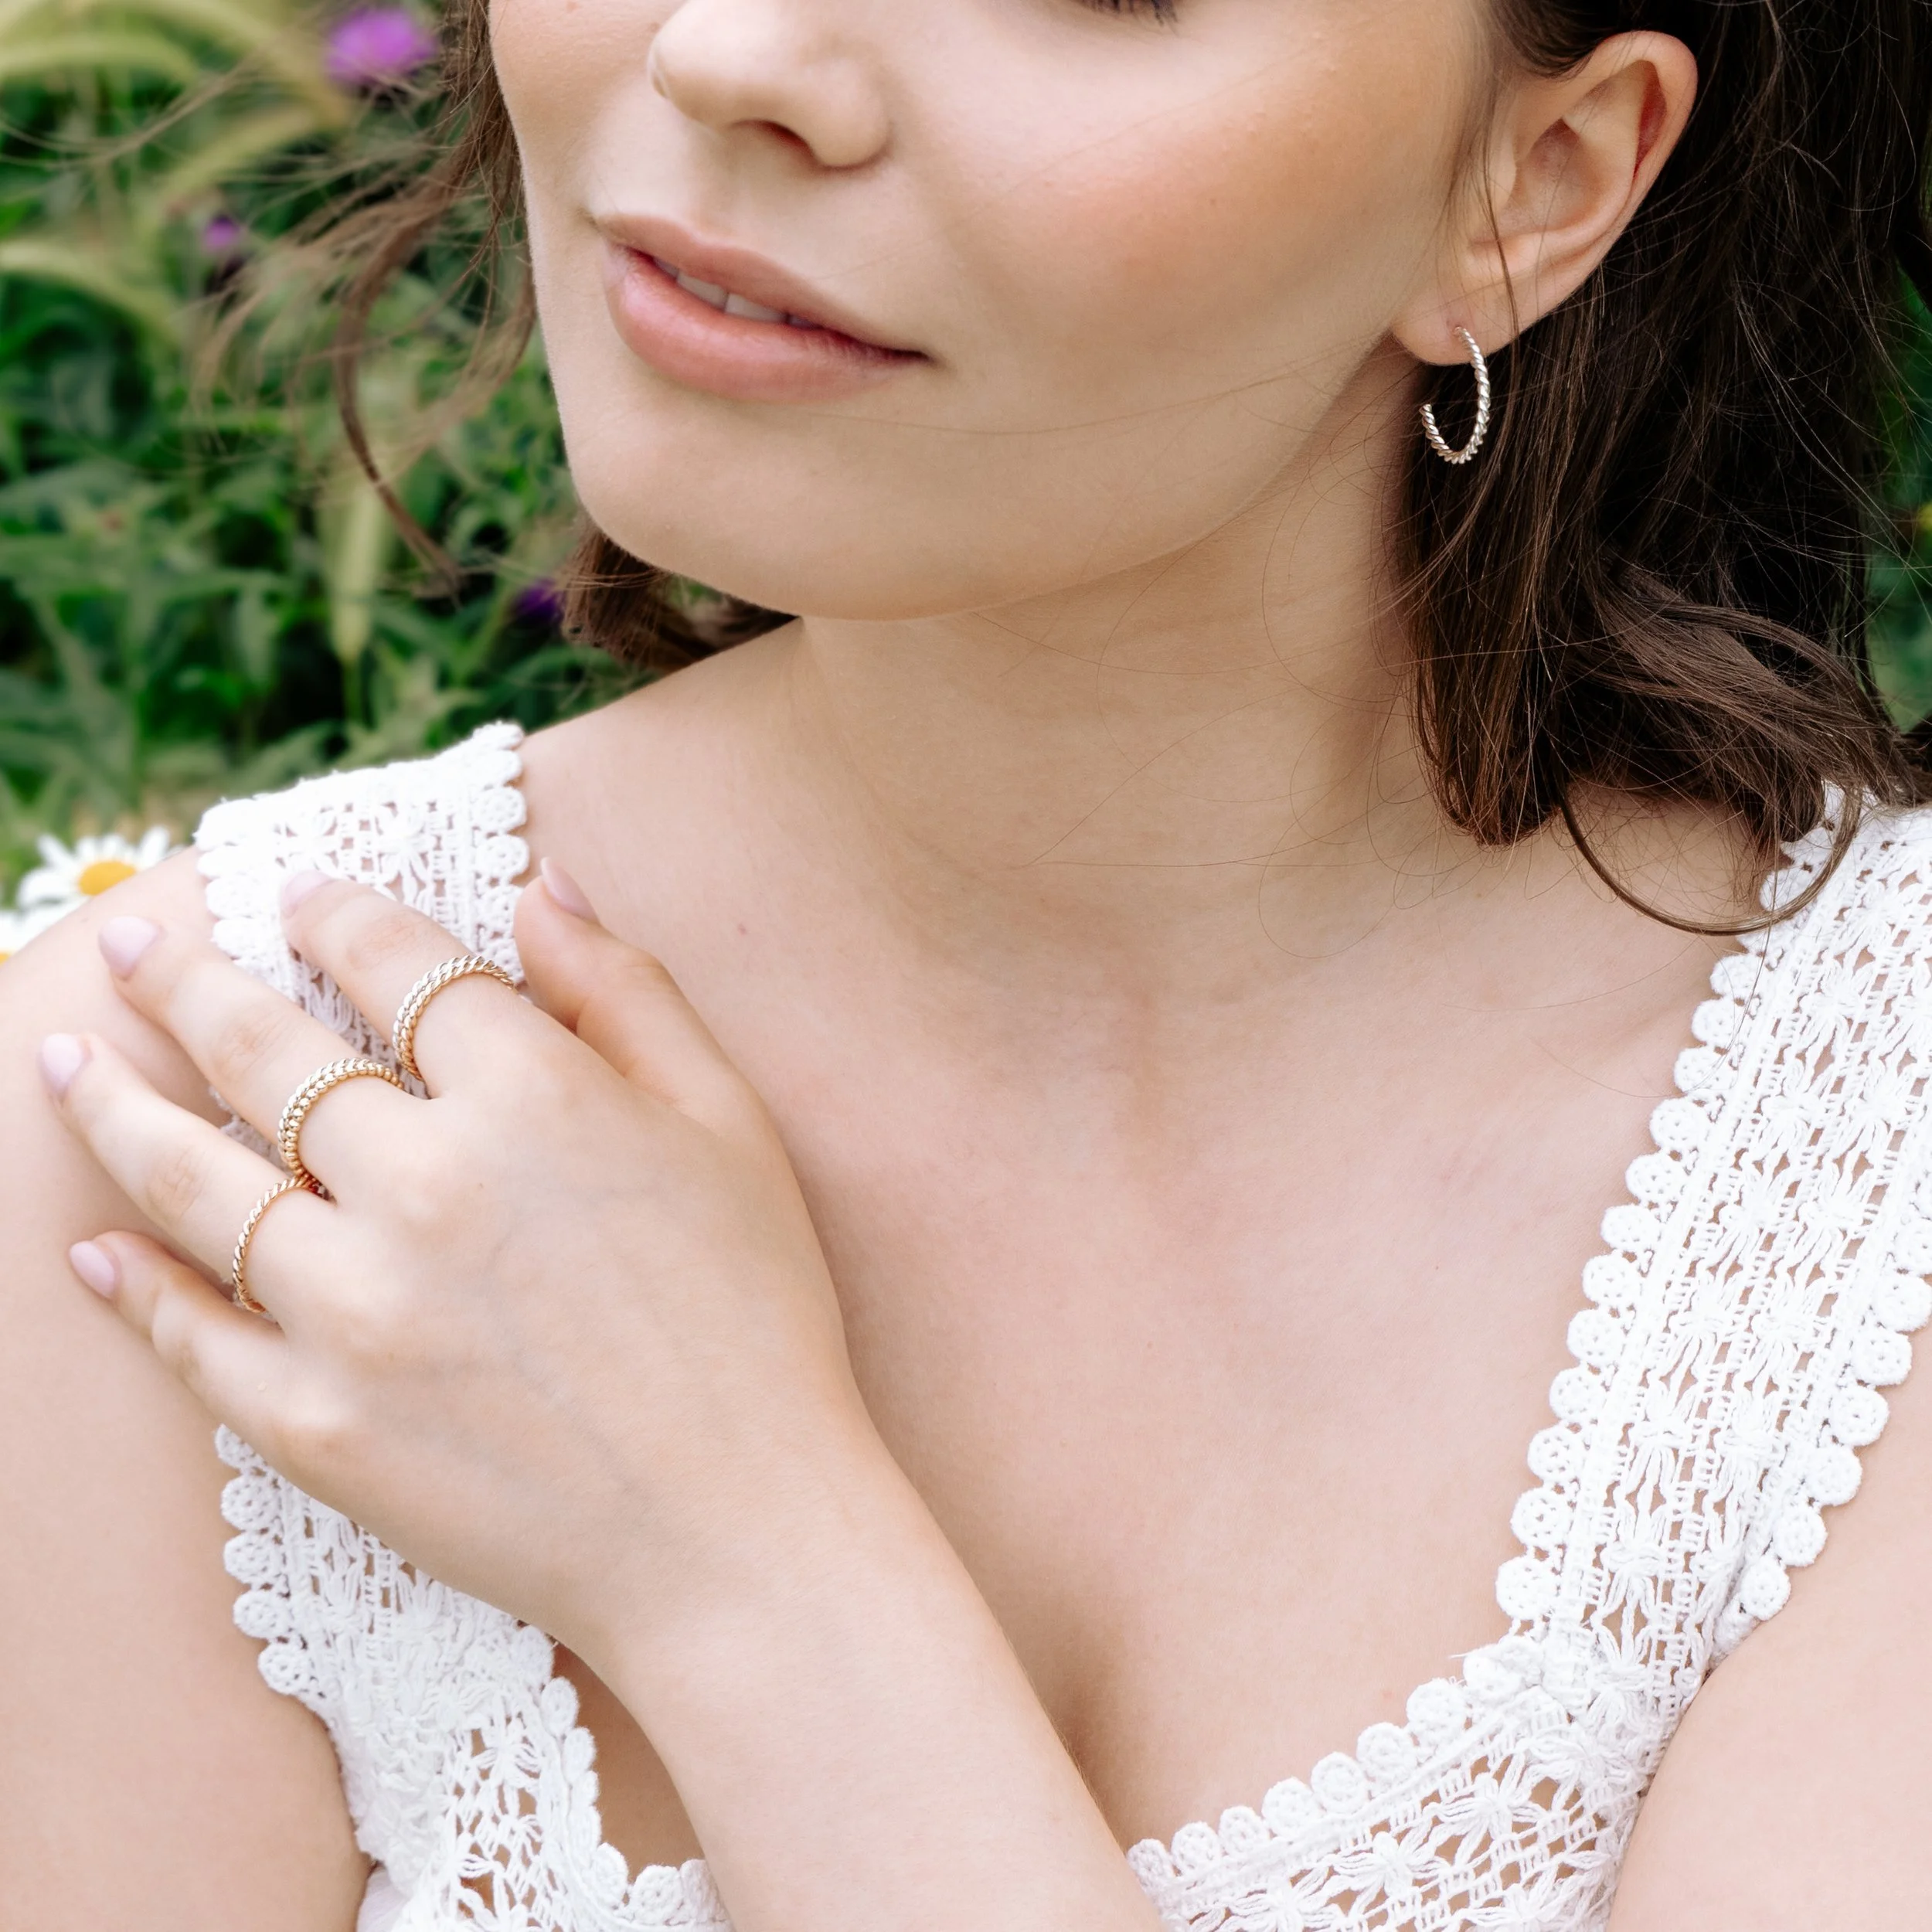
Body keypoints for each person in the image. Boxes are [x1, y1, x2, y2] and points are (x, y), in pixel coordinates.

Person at [5, 2, 1932, 1927]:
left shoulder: (1875, 1178)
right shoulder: (184, 1101)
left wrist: (743, 1560)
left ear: (1536, 179)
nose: (734, 52)